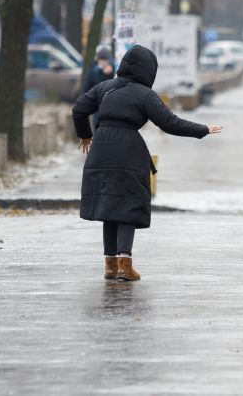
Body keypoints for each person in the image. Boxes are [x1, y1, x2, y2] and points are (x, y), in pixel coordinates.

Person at [72, 45, 222, 281]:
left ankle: (110, 266)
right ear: (149, 70)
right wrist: (202, 130)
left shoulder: (104, 88)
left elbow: (79, 109)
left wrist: (86, 135)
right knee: (126, 205)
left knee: (108, 206)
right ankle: (125, 264)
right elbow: (170, 123)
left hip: (100, 148)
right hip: (128, 151)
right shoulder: (145, 95)